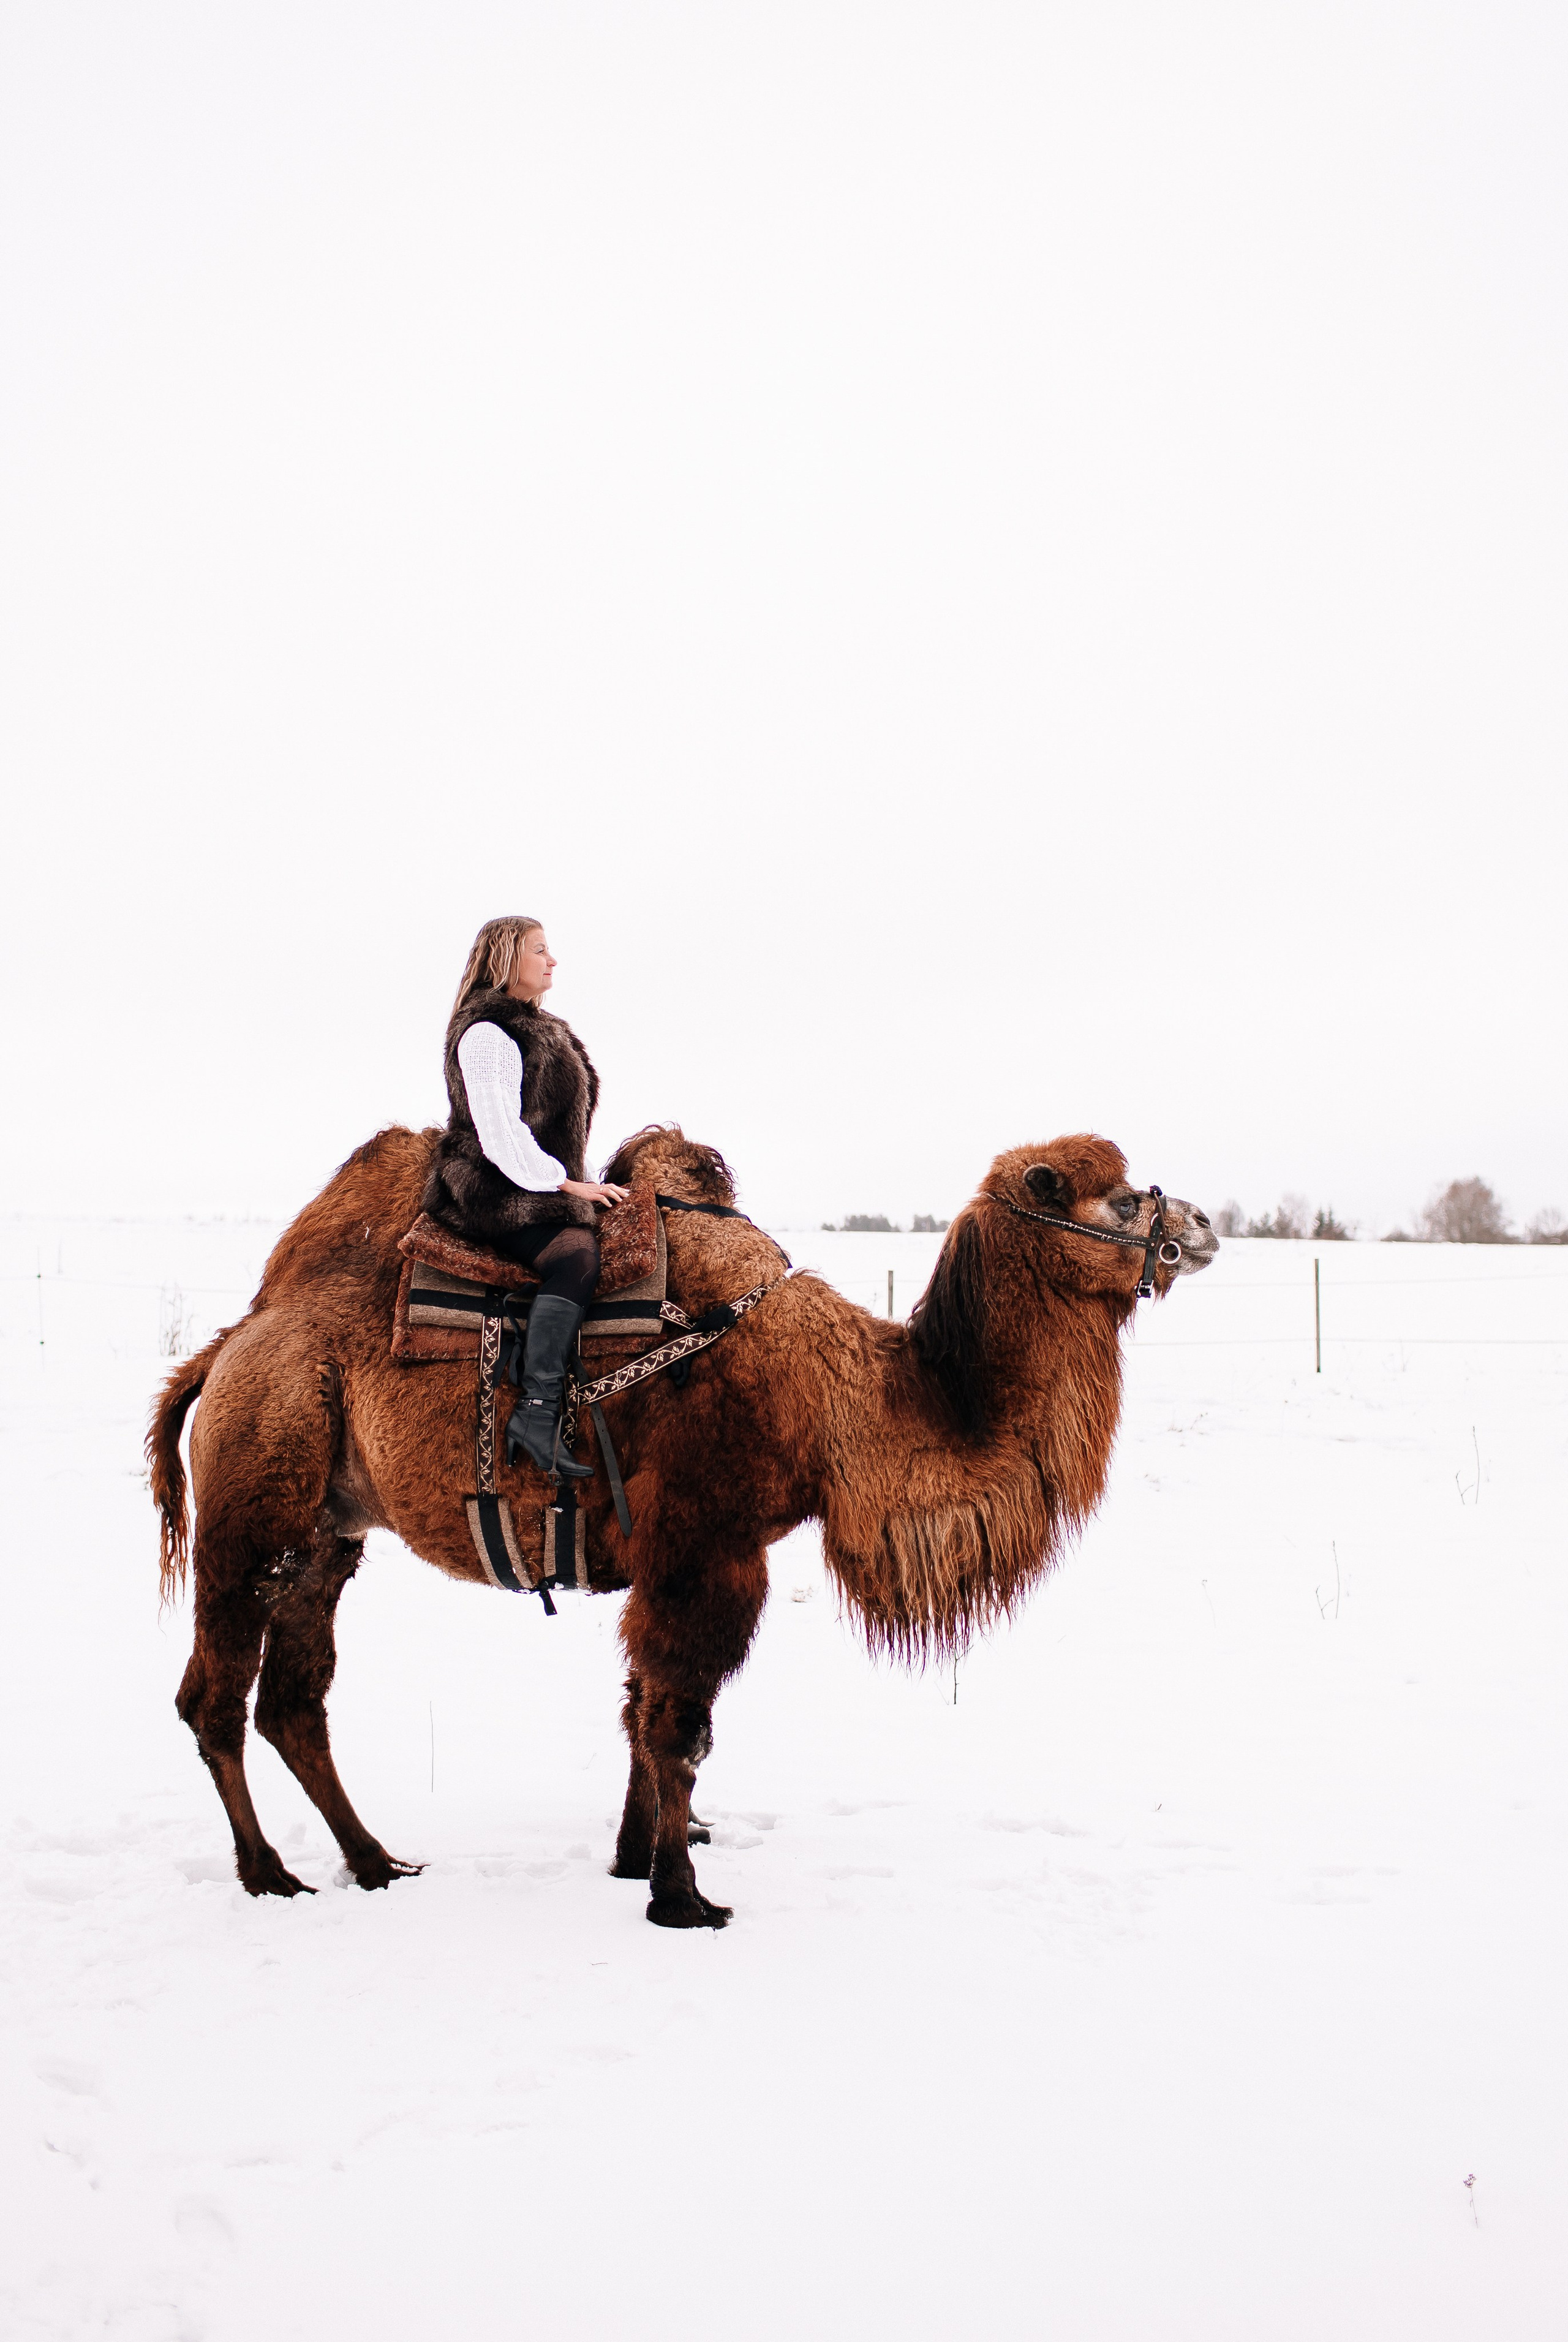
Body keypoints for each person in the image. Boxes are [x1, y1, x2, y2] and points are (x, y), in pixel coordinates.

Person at [422, 916, 627, 1479]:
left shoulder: (543, 1028)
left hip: (534, 1182)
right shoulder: (487, 1033)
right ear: (506, 961)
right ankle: (536, 1412)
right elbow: (501, 1135)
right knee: (576, 1259)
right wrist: (570, 1185)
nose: (552, 960)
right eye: (539, 950)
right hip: (493, 1187)